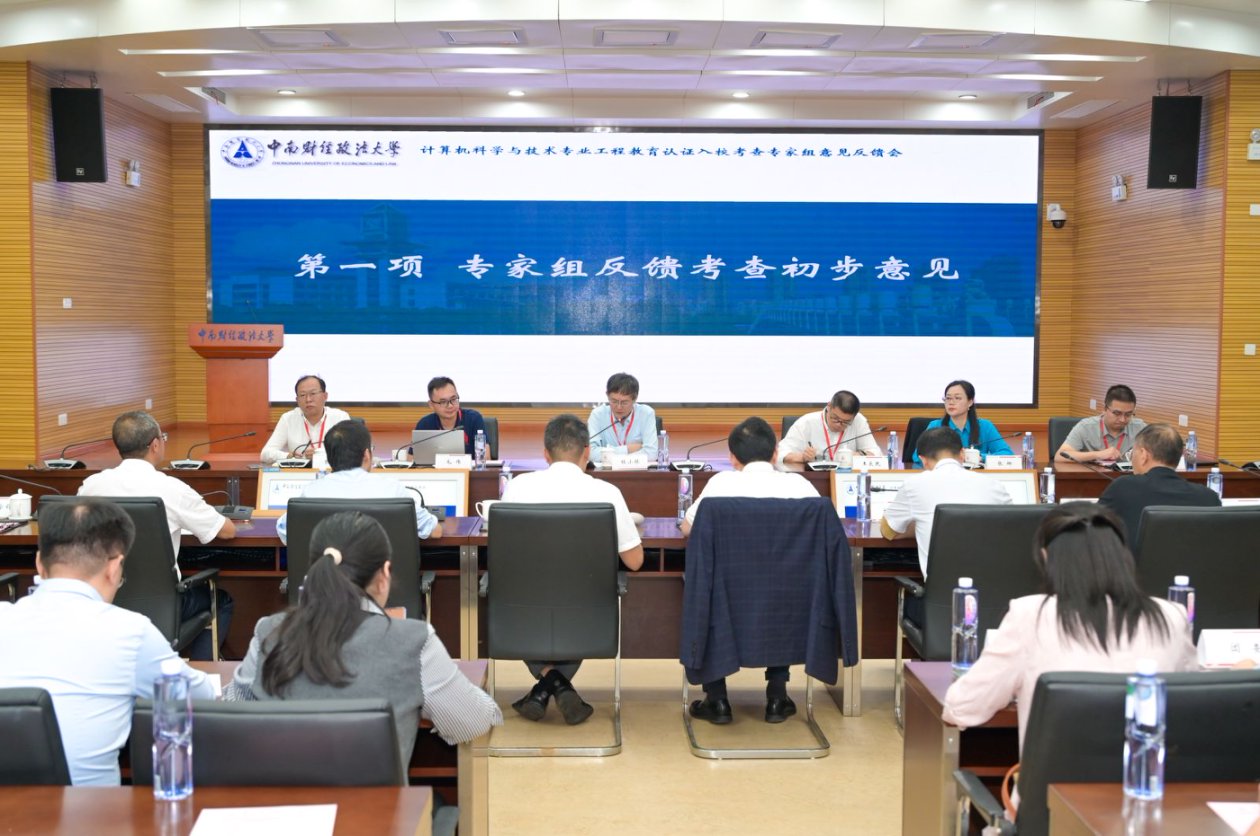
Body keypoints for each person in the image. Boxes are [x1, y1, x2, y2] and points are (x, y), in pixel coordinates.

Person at [225, 512, 501, 765]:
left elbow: (232, 714)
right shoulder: (414, 642)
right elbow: (472, 723)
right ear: (384, 575)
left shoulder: (269, 631)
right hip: (378, 805)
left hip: (282, 802)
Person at [941, 502, 1197, 755]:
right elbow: (1192, 705)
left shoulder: (1030, 615)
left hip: (1053, 783)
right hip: (1146, 776)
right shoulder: (1172, 616)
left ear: (1046, 558)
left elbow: (961, 707)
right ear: (1123, 558)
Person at [0, 499, 215, 785]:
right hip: (92, 809)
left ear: (39, 564)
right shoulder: (131, 631)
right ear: (114, 568)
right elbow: (199, 698)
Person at [499, 413, 645, 724]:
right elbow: (634, 561)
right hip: (587, 609)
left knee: (519, 592)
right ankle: (559, 684)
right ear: (587, 452)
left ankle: (547, 682)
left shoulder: (517, 488)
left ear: (545, 454)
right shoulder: (607, 493)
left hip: (523, 608)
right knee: (578, 592)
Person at [682, 416, 822, 725]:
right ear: (775, 454)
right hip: (787, 599)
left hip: (730, 598)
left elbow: (689, 528)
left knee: (708, 590)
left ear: (732, 457)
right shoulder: (800, 485)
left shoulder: (722, 484)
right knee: (780, 591)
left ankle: (717, 699)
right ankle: (777, 697)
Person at [79, 411, 235, 660]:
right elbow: (226, 531)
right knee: (221, 600)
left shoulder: (90, 487)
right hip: (160, 609)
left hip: (105, 601)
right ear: (155, 445)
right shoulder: (171, 488)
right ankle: (200, 673)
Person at [276, 420, 442, 544]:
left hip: (327, 579)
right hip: (382, 580)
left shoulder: (311, 492)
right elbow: (434, 531)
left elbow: (284, 530)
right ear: (367, 455)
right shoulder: (393, 490)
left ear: (329, 458)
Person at [882, 427, 1012, 578]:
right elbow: (1014, 528)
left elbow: (888, 530)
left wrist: (924, 524)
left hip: (942, 589)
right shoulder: (994, 484)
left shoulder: (914, 485)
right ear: (962, 454)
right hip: (994, 586)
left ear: (923, 460)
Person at [1097, 423, 1221, 543]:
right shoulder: (1208, 497)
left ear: (1144, 455)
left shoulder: (1123, 488)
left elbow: (1092, 528)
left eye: (1132, 453)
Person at [911, 380, 1012, 467]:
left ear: (970, 402)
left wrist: (980, 457)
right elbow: (917, 456)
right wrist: (946, 458)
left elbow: (1007, 454)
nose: (951, 402)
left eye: (957, 398)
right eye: (948, 398)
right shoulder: (935, 426)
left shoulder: (985, 426)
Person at [260, 375, 351, 465]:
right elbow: (265, 453)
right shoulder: (288, 419)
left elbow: (350, 452)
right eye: (302, 395)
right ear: (297, 400)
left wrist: (320, 455)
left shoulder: (340, 418)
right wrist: (289, 456)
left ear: (325, 396)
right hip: (299, 473)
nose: (308, 399)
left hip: (332, 472)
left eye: (313, 393)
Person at [779, 390, 883, 463]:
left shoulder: (858, 421)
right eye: (835, 418)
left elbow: (876, 453)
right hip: (814, 477)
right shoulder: (806, 423)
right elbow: (780, 453)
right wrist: (802, 457)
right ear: (829, 406)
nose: (839, 424)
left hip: (846, 476)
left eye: (846, 422)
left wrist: (858, 456)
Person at [1057, 384, 1147, 464]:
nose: (1123, 419)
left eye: (1128, 414)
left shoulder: (1140, 428)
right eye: (1117, 413)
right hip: (1093, 476)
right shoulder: (1085, 427)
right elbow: (1060, 456)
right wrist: (1097, 454)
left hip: (1129, 476)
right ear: (1104, 409)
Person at [586, 372, 658, 463]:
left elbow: (651, 453)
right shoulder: (598, 415)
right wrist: (627, 449)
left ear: (635, 399)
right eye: (614, 401)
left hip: (637, 471)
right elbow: (590, 452)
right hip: (606, 471)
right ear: (607, 396)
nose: (619, 407)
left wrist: (611, 456)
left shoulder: (646, 414)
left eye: (624, 402)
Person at [413, 376, 488, 458]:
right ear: (431, 405)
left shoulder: (473, 419)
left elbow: (486, 457)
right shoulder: (424, 424)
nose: (450, 406)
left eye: (453, 399)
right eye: (443, 402)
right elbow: (412, 458)